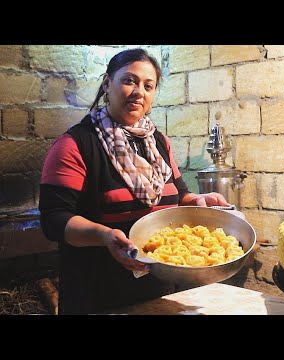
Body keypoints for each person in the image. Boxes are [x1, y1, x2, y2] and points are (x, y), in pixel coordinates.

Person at [39, 48, 230, 314]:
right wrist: (104, 236)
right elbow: (53, 219)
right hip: (97, 294)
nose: (139, 91)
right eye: (129, 80)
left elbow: (179, 195)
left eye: (148, 85)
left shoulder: (158, 143)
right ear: (108, 83)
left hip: (158, 291)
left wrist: (198, 201)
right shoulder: (76, 144)